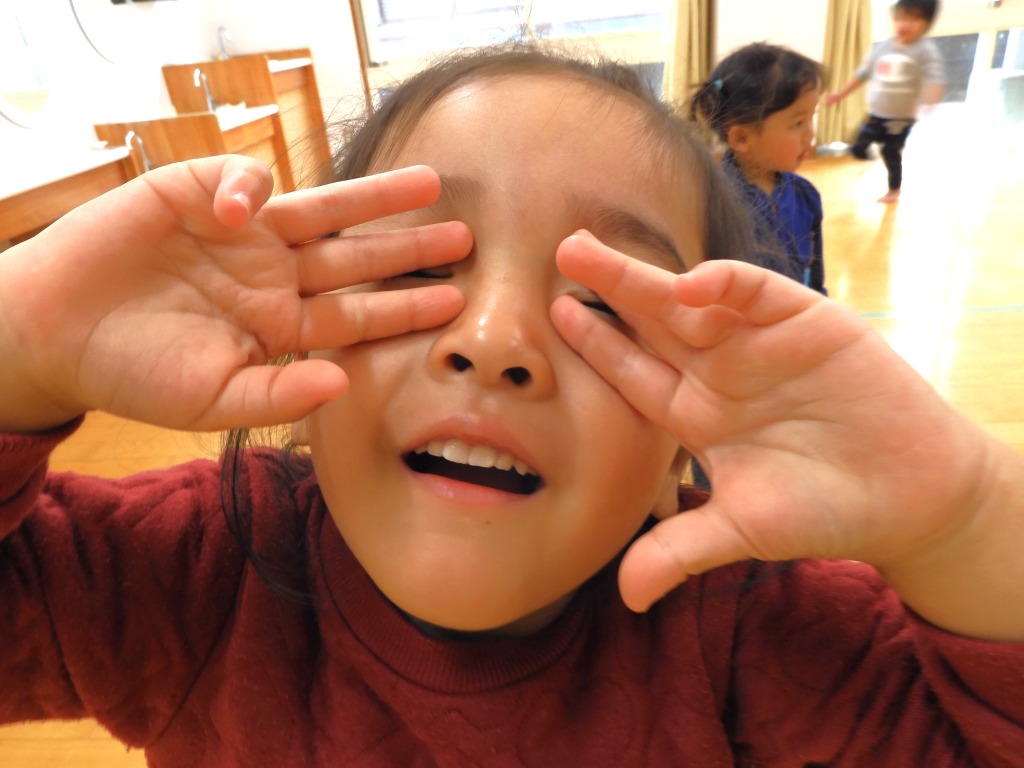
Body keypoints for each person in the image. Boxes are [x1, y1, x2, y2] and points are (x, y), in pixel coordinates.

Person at [1, 43, 1023, 768]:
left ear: (684, 447)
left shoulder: (750, 629)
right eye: (416, 270)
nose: (492, 342)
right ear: (301, 340)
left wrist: (966, 514)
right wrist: (18, 346)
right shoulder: (200, 568)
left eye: (603, 304)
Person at [689, 42, 827, 296]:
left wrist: (821, 307)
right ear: (741, 138)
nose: (810, 134)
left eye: (812, 117)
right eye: (798, 123)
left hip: (795, 313)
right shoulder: (712, 203)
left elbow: (815, 278)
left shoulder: (805, 195)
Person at [825, 0, 946, 203]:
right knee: (857, 147)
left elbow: (935, 78)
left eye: (914, 19)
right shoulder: (884, 47)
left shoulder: (925, 51)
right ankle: (871, 157)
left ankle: (894, 190)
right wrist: (840, 94)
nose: (904, 24)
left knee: (891, 153)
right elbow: (863, 73)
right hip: (876, 113)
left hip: (901, 118)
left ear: (927, 24)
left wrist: (930, 103)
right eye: (901, 18)